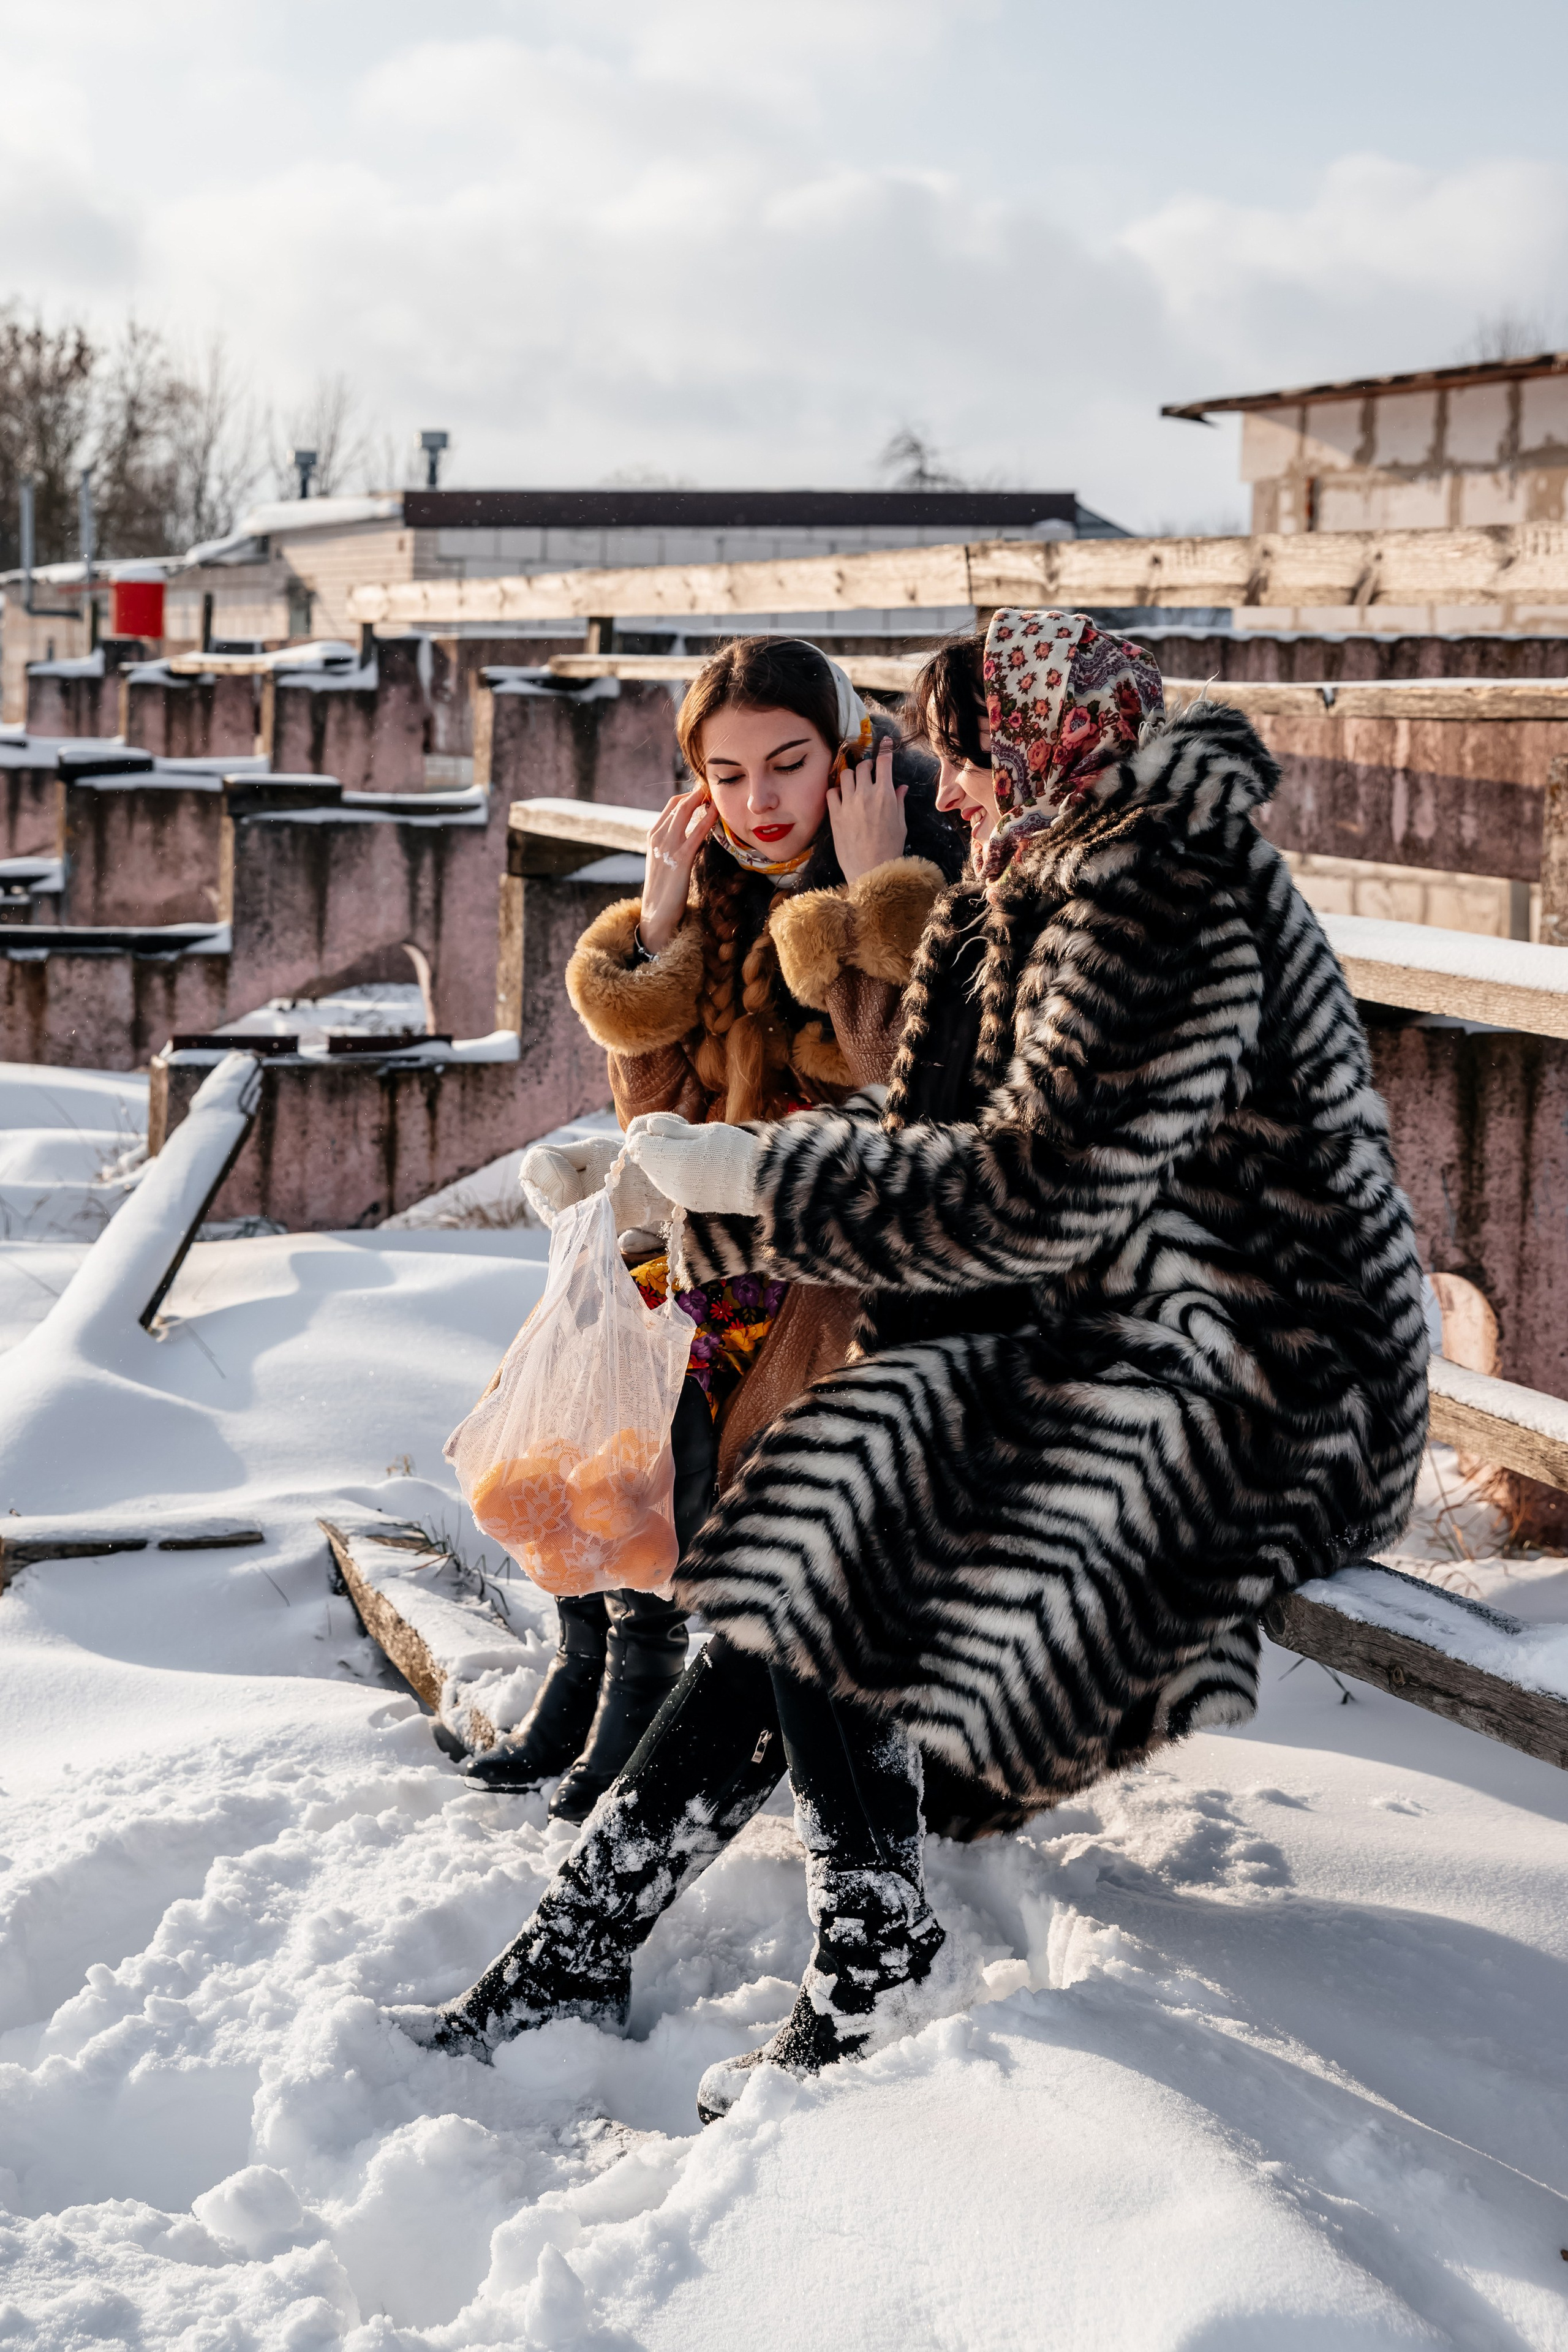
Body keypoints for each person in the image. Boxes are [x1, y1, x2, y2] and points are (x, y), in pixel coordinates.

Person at [397, 611, 1427, 2126]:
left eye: (964, 758)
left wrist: (761, 1181)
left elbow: (1037, 1191)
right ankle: (595, 1943)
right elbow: (937, 1129)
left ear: (1043, 744)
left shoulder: (1160, 904)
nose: (947, 790)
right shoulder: (1046, 869)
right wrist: (695, 1192)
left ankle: (842, 1947)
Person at [463, 636, 967, 1822]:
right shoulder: (726, 886)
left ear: (849, 752)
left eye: (788, 764)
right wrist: (657, 928)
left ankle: (642, 1691)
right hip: (720, 1223)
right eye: (727, 776)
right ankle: (601, 1664)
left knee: (676, 1358)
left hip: (841, 1245)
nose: (759, 802)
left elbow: (906, 1094)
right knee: (598, 1322)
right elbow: (655, 1113)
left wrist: (868, 900)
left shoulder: (930, 871)